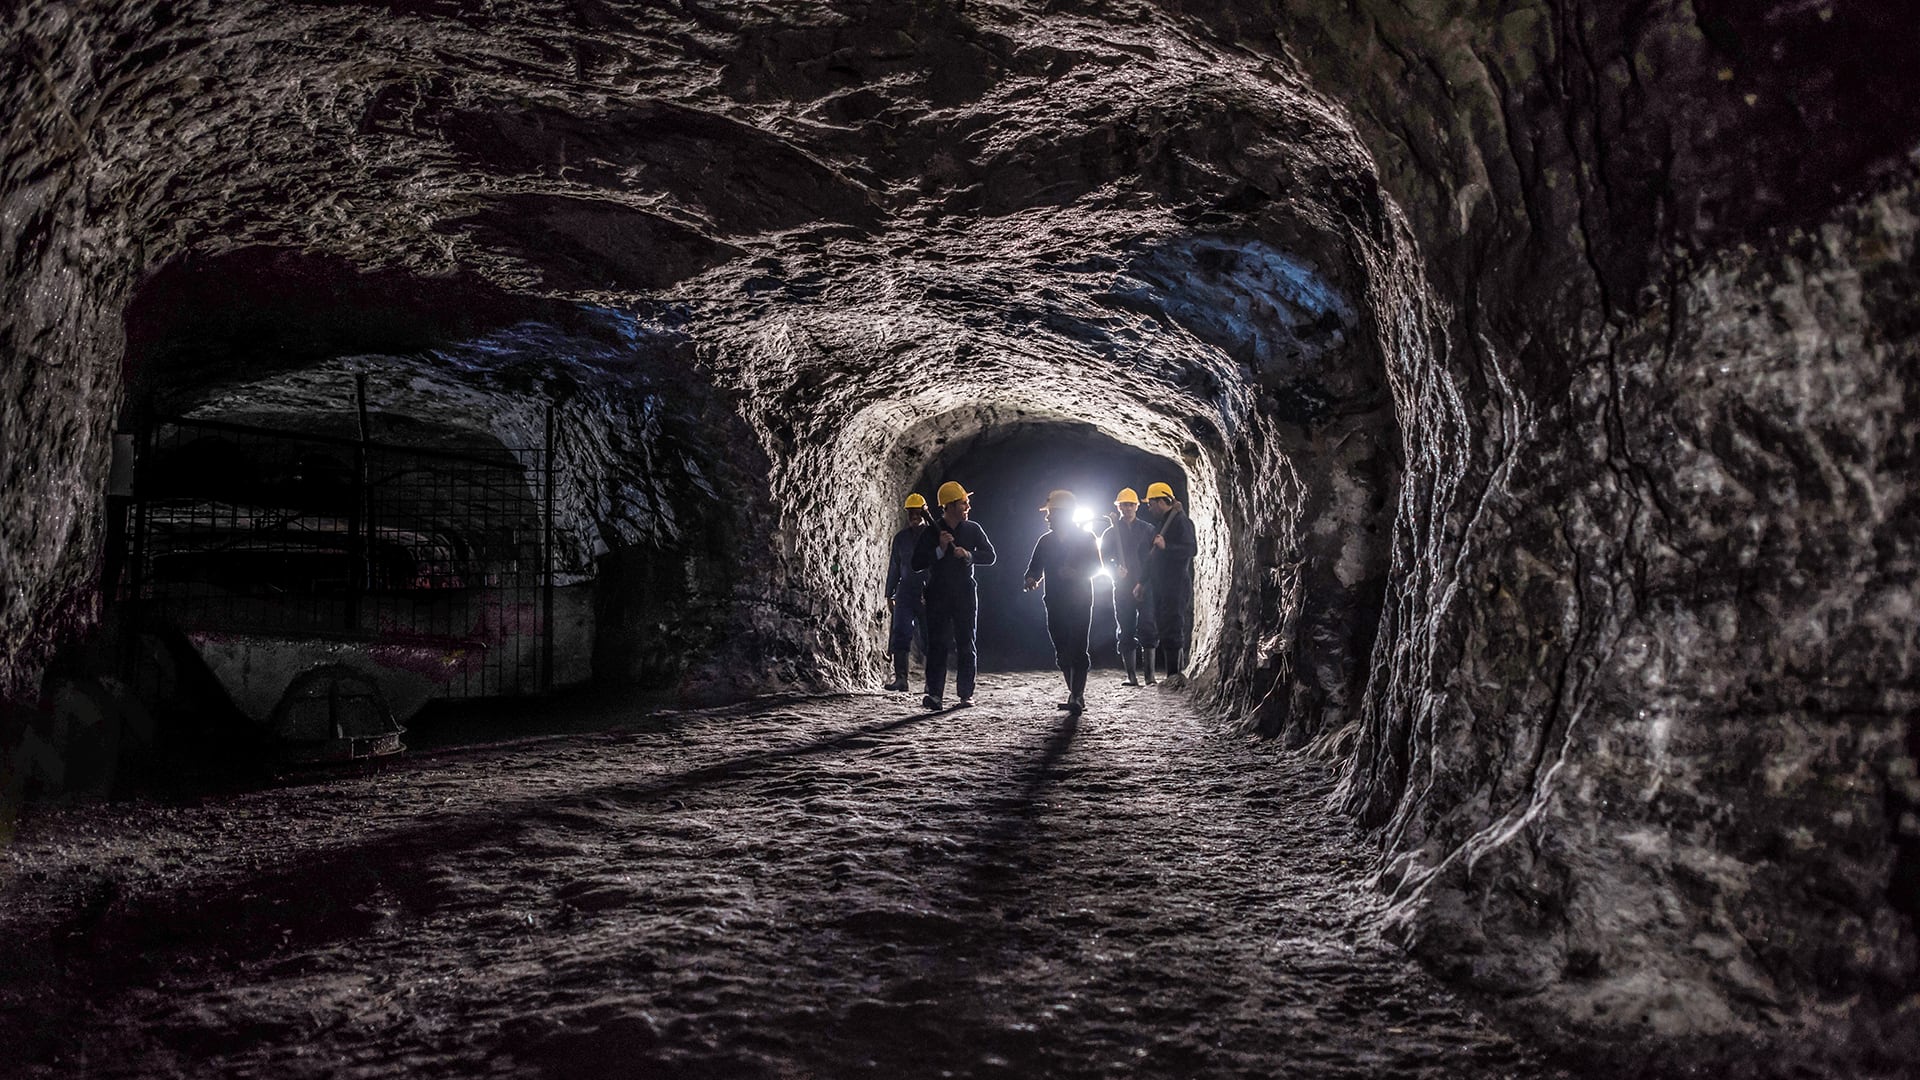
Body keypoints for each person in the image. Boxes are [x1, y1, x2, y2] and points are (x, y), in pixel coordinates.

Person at [911, 481, 996, 710]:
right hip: (938, 592)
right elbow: (916, 563)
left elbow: (990, 555)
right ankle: (935, 695)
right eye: (963, 503)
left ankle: (965, 694)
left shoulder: (973, 529)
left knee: (966, 643)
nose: (968, 506)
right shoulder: (932, 531)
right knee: (938, 644)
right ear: (949, 506)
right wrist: (938, 549)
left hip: (964, 592)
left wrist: (969, 555)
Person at [1024, 489, 1102, 714]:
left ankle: (1077, 695)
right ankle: (1074, 693)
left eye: (1051, 513)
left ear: (1064, 514)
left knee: (1078, 647)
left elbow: (1097, 568)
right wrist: (1031, 578)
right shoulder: (1045, 541)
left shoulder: (1087, 538)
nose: (1047, 518)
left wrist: (1076, 573)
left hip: (1080, 600)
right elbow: (1035, 567)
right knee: (1061, 649)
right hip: (1055, 601)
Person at [1139, 481, 1197, 688]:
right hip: (1161, 584)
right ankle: (1172, 674)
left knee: (1173, 625)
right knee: (1164, 626)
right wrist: (1142, 582)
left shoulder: (1181, 522)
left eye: (1151, 502)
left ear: (1162, 501)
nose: (1149, 506)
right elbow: (1151, 558)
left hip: (1176, 583)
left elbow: (1190, 549)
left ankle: (1175, 675)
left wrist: (1167, 546)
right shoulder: (1162, 523)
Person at [1100, 487, 1159, 686]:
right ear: (1118, 507)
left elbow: (1154, 557)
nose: (1127, 508)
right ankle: (1131, 676)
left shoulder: (1148, 529)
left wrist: (1145, 580)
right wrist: (1115, 568)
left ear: (1136, 506)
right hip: (1123, 586)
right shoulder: (1110, 532)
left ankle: (1149, 677)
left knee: (1148, 626)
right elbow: (1104, 558)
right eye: (1123, 505)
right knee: (1125, 628)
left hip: (1144, 585)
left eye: (1130, 504)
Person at [882, 493, 932, 692]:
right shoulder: (901, 539)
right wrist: (889, 594)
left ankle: (931, 682)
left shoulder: (932, 536)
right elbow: (894, 566)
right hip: (905, 591)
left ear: (924, 512)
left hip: (928, 591)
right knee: (900, 633)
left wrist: (934, 590)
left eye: (917, 512)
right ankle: (901, 679)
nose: (914, 516)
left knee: (929, 636)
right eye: (911, 512)